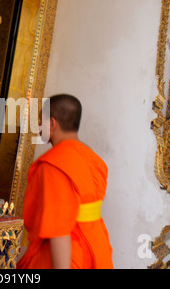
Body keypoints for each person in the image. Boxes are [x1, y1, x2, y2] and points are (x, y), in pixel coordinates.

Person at [17, 94, 113, 269]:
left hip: (69, 254)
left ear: (52, 124)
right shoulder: (91, 156)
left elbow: (58, 229)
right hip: (98, 246)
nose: (38, 127)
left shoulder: (55, 164)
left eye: (40, 120)